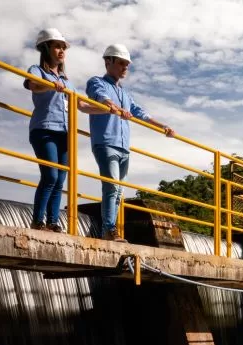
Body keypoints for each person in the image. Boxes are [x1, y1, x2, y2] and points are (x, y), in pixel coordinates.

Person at [86, 44, 176, 242]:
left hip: (123, 147)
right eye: (121, 63)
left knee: (119, 191)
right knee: (111, 187)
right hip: (106, 142)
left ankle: (113, 230)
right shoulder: (97, 82)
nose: (125, 68)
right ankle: (109, 231)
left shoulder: (126, 94)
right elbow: (101, 98)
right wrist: (114, 107)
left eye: (127, 65)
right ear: (107, 61)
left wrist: (163, 127)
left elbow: (139, 112)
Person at [24, 28, 101, 232]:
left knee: (60, 179)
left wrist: (107, 110)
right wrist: (50, 85)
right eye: (57, 46)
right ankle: (37, 221)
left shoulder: (67, 82)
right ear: (46, 48)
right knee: (50, 175)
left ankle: (53, 222)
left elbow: (81, 106)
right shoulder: (37, 70)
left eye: (63, 47)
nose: (61, 51)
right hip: (45, 129)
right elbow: (33, 85)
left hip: (66, 133)